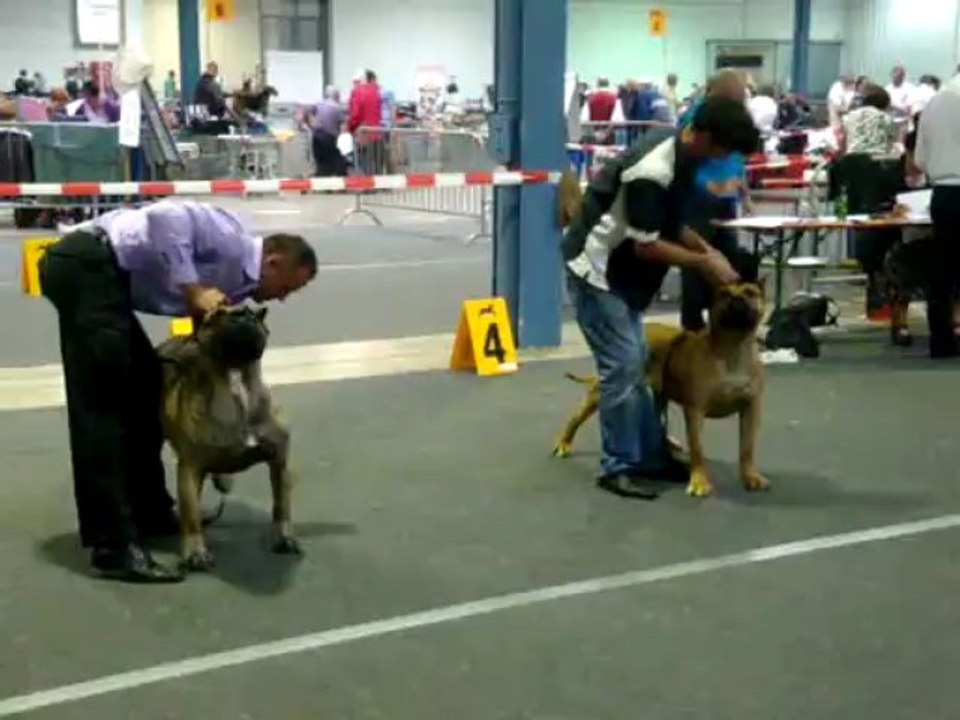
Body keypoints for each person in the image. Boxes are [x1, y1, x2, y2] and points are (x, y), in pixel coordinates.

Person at [37, 201, 317, 582]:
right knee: (105, 408)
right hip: (87, 264)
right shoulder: (231, 240)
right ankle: (113, 548)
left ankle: (150, 510)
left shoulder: (238, 285)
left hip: (104, 276)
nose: (283, 297)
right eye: (289, 286)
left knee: (145, 386)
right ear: (274, 262)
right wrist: (193, 288)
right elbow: (164, 217)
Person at [563, 95, 759, 498]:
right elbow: (646, 246)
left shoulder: (685, 158)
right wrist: (703, 265)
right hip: (596, 270)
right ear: (702, 136)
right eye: (722, 150)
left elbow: (672, 224)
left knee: (637, 367)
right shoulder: (652, 171)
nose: (722, 160)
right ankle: (616, 466)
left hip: (625, 277)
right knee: (623, 366)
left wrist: (707, 249)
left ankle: (650, 457)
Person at [678, 71, 753, 332]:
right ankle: (693, 327)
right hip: (697, 200)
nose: (739, 100)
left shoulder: (735, 116)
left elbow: (737, 156)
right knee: (697, 264)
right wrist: (700, 184)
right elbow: (685, 156)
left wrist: (744, 192)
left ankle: (724, 324)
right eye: (735, 96)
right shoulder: (696, 118)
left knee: (728, 264)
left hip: (727, 200)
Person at [915, 73, 960, 358]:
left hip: (942, 194)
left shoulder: (933, 103)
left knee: (942, 269)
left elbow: (919, 160)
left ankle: (941, 340)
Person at [841, 84, 896, 155]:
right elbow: (889, 143)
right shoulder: (885, 117)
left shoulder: (849, 116)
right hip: (877, 159)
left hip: (853, 159)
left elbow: (844, 142)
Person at [348, 70, 384, 174]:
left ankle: (368, 185)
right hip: (377, 131)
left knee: (364, 160)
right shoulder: (376, 91)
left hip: (363, 132)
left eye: (355, 82)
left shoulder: (357, 92)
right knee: (376, 160)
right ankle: (379, 183)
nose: (353, 85)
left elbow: (355, 114)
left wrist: (351, 128)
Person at [309, 85, 348, 177]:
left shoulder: (318, 104)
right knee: (338, 161)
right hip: (329, 137)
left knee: (321, 163)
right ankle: (340, 183)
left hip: (316, 137)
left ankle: (322, 183)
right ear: (336, 95)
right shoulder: (338, 108)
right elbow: (343, 125)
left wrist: (310, 125)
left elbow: (306, 113)